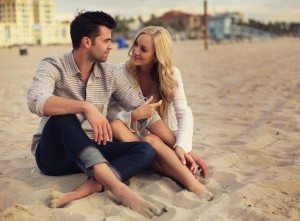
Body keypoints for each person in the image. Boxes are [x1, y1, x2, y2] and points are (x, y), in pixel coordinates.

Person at [27, 11, 165, 218]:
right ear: (86, 42)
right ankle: (119, 190)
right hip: (55, 156)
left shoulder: (110, 73)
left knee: (145, 150)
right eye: (106, 40)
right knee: (63, 116)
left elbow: (143, 109)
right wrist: (85, 107)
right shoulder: (53, 65)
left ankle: (90, 187)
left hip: (94, 148)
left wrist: (180, 146)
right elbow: (35, 100)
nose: (111, 45)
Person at [57, 26, 213, 205]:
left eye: (143, 49)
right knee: (126, 130)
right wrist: (134, 115)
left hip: (164, 137)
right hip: (130, 137)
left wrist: (183, 147)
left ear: (156, 56)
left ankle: (190, 182)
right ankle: (187, 178)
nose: (135, 51)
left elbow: (184, 113)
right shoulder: (120, 71)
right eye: (136, 44)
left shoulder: (171, 74)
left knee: (153, 140)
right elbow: (112, 114)